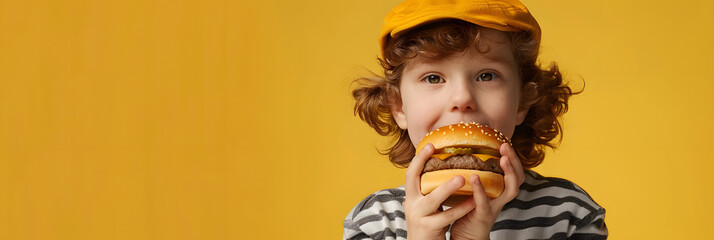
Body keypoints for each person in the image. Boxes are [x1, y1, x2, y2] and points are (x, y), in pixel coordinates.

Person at [343, 0, 608, 239]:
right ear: (398, 106)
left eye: (486, 76)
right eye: (433, 78)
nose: (462, 98)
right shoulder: (373, 223)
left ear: (523, 102)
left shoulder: (569, 215)